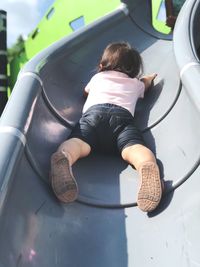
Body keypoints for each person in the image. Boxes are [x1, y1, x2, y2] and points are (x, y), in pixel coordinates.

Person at [50, 42, 163, 212]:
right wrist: (148, 78)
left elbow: (85, 91)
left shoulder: (97, 78)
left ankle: (64, 157)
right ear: (133, 72)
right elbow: (145, 85)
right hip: (122, 120)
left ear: (101, 66)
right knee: (133, 148)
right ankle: (146, 165)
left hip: (92, 117)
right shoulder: (135, 83)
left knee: (78, 143)